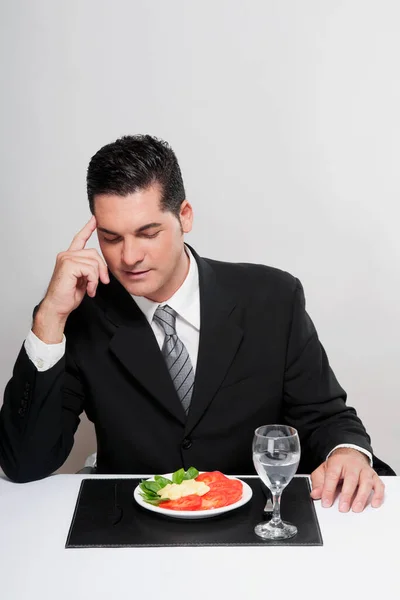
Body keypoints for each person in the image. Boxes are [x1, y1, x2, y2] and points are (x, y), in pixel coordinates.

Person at [0, 135, 394, 512]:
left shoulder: (272, 297)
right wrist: (49, 317)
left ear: (184, 216)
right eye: (111, 238)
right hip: (133, 529)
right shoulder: (82, 315)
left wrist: (346, 451)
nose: (130, 256)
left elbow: (325, 416)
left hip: (254, 524)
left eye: (148, 232)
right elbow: (24, 463)